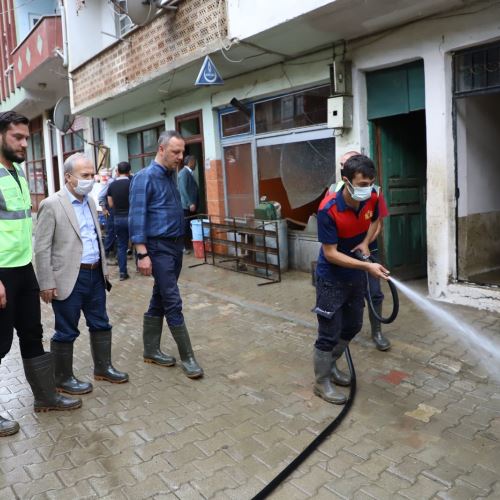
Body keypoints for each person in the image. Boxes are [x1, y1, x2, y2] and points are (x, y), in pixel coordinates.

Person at [0, 112, 81, 436]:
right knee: (0, 344)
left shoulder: (18, 172)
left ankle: (45, 397)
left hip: (23, 269)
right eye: (17, 137)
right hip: (2, 273)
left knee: (32, 334)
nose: (24, 143)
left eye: (26, 138)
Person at [35, 152, 129, 396]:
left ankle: (103, 368)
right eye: (85, 175)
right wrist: (46, 282)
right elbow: (41, 247)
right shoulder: (52, 204)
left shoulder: (89, 200)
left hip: (95, 274)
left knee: (101, 322)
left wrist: (105, 270)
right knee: (67, 330)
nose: (91, 179)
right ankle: (63, 378)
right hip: (68, 278)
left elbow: (94, 236)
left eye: (92, 175)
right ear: (68, 177)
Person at [313, 154, 389, 405]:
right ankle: (321, 382)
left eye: (370, 183)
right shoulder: (328, 209)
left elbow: (376, 218)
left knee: (354, 324)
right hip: (331, 278)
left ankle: (332, 365)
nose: (367, 190)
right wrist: (367, 266)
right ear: (346, 181)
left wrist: (365, 243)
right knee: (329, 331)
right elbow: (330, 253)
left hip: (355, 274)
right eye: (362, 185)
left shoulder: (374, 197)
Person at [129, 131, 203, 378]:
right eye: (175, 152)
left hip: (174, 247)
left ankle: (150, 350)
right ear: (161, 149)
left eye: (182, 152)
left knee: (160, 296)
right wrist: (142, 254)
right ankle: (189, 358)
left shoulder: (172, 174)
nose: (181, 157)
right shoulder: (144, 178)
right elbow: (136, 217)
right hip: (158, 248)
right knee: (172, 300)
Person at [333, 151, 391, 351]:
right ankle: (339, 334)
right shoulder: (334, 191)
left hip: (368, 251)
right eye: (342, 164)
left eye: (347, 162)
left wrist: (365, 243)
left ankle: (377, 332)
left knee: (374, 292)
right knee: (344, 295)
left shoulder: (373, 192)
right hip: (344, 254)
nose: (343, 166)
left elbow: (378, 222)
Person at [107, 161, 132, 281]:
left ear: (117, 171)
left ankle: (122, 272)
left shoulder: (111, 186)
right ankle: (139, 267)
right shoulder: (133, 183)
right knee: (137, 242)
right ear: (129, 172)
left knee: (121, 245)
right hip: (132, 217)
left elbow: (110, 204)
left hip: (118, 218)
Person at [177, 154, 199, 254]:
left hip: (191, 206)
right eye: (194, 162)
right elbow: (183, 189)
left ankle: (190, 244)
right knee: (185, 226)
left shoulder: (189, 172)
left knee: (191, 225)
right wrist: (190, 203)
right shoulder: (183, 173)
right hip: (186, 206)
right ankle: (184, 247)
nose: (195, 164)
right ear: (190, 162)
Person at [99, 169, 117, 264]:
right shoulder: (110, 182)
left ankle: (112, 253)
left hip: (114, 210)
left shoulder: (115, 181)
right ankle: (105, 255)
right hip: (109, 210)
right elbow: (101, 196)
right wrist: (104, 209)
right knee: (110, 231)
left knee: (113, 231)